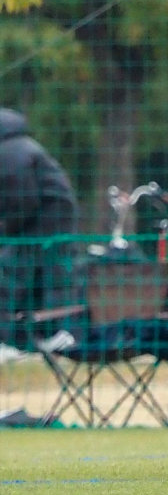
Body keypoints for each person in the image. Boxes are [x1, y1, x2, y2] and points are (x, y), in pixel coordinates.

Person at [0, 108, 77, 344]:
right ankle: (42, 335)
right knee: (42, 278)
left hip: (43, 223)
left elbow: (22, 201)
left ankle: (11, 339)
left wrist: (6, 230)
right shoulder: (19, 146)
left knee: (8, 275)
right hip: (51, 221)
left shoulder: (10, 153)